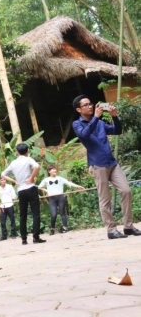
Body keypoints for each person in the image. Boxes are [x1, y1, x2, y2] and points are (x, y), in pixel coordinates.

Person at [72, 95, 141, 239]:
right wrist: (96, 117)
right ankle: (111, 230)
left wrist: (114, 117)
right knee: (105, 198)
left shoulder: (101, 123)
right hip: (98, 165)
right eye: (86, 105)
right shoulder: (77, 124)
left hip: (112, 163)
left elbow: (117, 131)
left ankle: (128, 227)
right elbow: (84, 134)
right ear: (79, 109)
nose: (90, 106)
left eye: (90, 103)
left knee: (126, 191)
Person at [2, 143, 45, 245]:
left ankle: (24, 239)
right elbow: (37, 166)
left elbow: (3, 174)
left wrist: (14, 181)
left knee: (23, 215)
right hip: (30, 188)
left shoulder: (13, 163)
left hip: (21, 190)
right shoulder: (28, 159)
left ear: (17, 152)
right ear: (27, 151)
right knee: (35, 213)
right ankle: (35, 237)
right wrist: (31, 178)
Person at [38, 165, 85, 235]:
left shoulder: (60, 179)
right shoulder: (46, 180)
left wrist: (78, 186)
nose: (54, 170)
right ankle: (52, 228)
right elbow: (39, 187)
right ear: (49, 171)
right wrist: (47, 191)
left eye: (55, 169)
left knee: (62, 212)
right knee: (53, 214)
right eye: (52, 169)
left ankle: (65, 227)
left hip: (60, 197)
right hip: (52, 198)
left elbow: (69, 183)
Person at [0, 176, 18, 240]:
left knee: (12, 220)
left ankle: (13, 234)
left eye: (4, 180)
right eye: (1, 180)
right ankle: (4, 235)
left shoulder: (9, 187)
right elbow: (0, 196)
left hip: (9, 205)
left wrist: (10, 200)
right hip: (3, 206)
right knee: (2, 221)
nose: (3, 181)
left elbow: (13, 196)